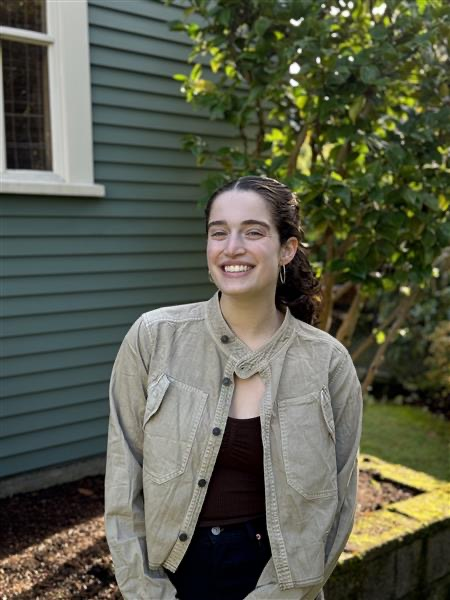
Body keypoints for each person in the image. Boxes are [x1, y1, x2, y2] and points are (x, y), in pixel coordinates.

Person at [104, 175, 363, 600]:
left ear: (287, 249)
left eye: (253, 232)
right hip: (171, 579)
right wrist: (149, 593)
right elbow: (122, 484)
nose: (232, 247)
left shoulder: (327, 363)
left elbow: (337, 509)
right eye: (219, 232)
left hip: (279, 584)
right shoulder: (153, 338)